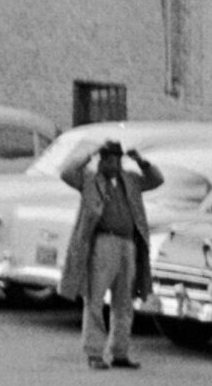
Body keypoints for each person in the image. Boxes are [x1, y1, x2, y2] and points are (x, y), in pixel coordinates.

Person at [57, 138, 164, 370]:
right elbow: (65, 172)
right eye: (107, 158)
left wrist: (142, 161)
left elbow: (157, 180)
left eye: (116, 158)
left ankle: (120, 352)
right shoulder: (89, 180)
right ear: (101, 160)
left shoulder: (131, 180)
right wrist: (89, 153)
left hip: (128, 244)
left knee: (124, 301)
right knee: (95, 299)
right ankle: (94, 352)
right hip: (103, 242)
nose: (112, 163)